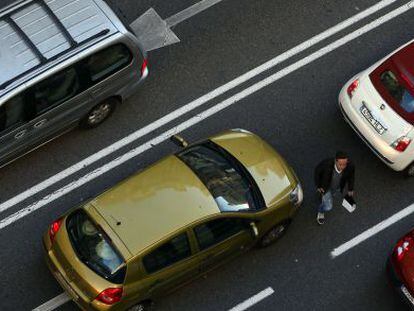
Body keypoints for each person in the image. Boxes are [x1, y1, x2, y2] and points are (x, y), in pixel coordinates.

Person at [314, 151, 355, 225]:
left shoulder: (350, 166)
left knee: (332, 195)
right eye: (340, 165)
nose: (342, 167)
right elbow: (317, 172)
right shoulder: (326, 165)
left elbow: (351, 177)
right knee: (328, 206)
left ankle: (323, 198)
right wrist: (319, 185)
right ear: (335, 161)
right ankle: (321, 211)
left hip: (337, 187)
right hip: (326, 187)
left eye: (344, 164)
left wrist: (350, 188)